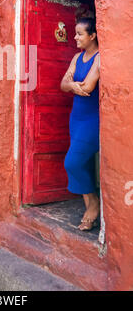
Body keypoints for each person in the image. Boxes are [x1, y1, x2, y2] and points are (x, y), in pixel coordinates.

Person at [60, 17, 100, 231]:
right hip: (76, 118)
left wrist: (71, 85)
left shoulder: (100, 57)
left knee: (72, 162)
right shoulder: (77, 57)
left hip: (93, 120)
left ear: (92, 35)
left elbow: (90, 86)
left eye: (79, 34)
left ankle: (93, 205)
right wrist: (73, 86)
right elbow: (63, 84)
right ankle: (89, 208)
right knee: (81, 163)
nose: (75, 37)